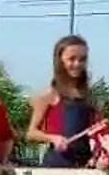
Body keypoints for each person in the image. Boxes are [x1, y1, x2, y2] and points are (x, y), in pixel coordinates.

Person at [26, 35, 97, 168]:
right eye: (71, 59)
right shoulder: (49, 93)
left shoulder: (88, 94)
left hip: (86, 164)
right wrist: (53, 138)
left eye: (82, 59)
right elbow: (31, 133)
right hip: (58, 163)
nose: (77, 64)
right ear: (60, 60)